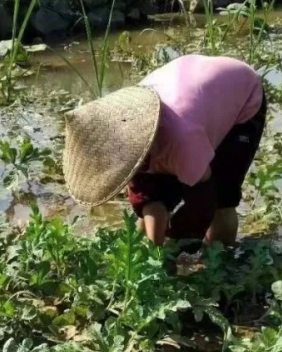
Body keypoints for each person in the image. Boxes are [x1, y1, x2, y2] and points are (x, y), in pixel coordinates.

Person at [62, 54, 266, 246]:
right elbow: (150, 198)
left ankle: (223, 260)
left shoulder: (183, 140)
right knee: (152, 193)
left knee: (222, 198)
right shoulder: (124, 134)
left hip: (240, 92)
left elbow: (203, 202)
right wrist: (155, 251)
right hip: (191, 88)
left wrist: (177, 245)